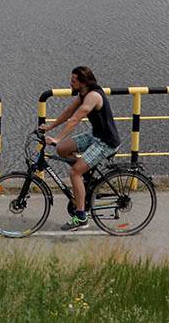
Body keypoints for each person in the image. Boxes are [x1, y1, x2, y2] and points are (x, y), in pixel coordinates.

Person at [40, 66, 120, 231]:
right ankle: (86, 175)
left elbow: (76, 119)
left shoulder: (93, 96)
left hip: (106, 142)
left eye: (73, 80)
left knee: (75, 172)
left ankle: (81, 216)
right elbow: (69, 111)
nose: (70, 83)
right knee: (62, 149)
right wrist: (50, 127)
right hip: (95, 136)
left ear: (83, 82)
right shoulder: (83, 94)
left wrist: (57, 138)